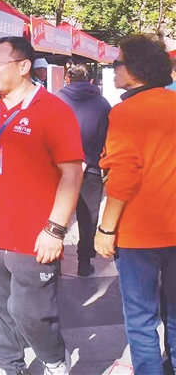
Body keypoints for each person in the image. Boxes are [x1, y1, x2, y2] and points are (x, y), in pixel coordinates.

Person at [0, 36, 84, 375]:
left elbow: (72, 173)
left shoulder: (53, 110)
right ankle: (8, 365)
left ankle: (54, 360)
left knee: (32, 313)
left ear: (24, 66)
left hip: (35, 236)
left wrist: (55, 229)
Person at [95, 35, 176, 375]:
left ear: (136, 69)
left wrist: (105, 229)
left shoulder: (126, 112)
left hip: (137, 234)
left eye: (117, 63)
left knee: (141, 319)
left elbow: (123, 175)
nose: (114, 70)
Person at [55, 64, 111, 277]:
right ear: (91, 80)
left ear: (68, 79)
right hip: (92, 169)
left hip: (59, 169)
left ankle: (54, 260)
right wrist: (88, 159)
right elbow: (105, 137)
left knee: (56, 213)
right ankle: (84, 262)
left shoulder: (55, 100)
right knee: (88, 217)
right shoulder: (103, 104)